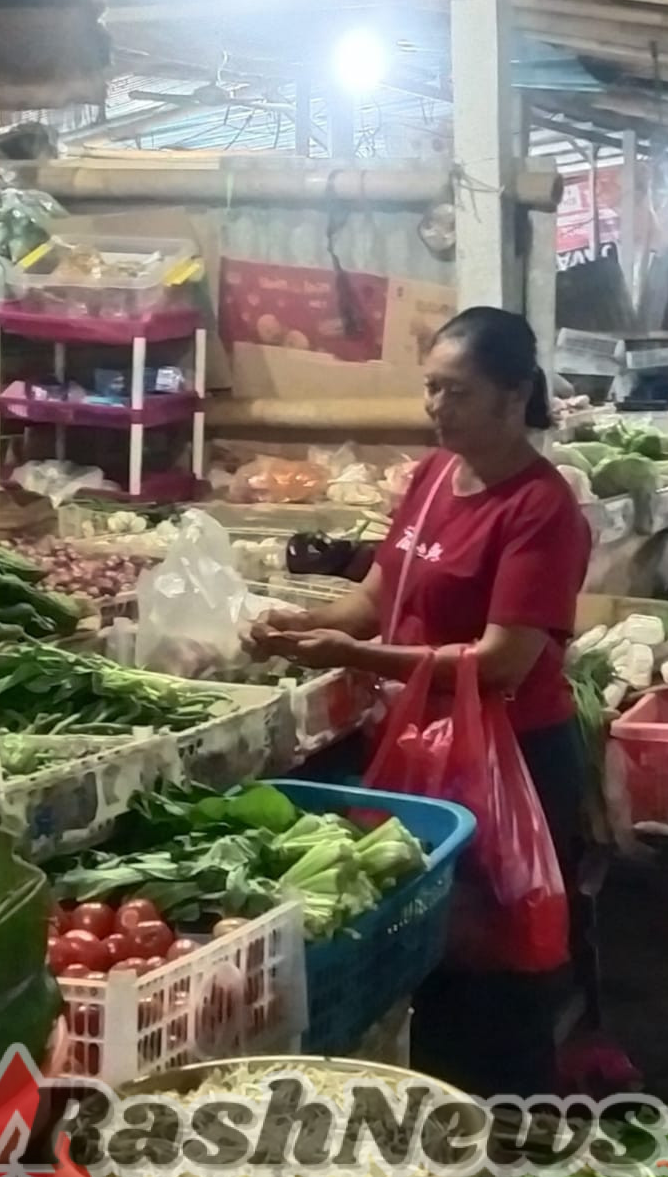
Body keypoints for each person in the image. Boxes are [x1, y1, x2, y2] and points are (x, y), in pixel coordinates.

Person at [248, 306, 592, 1096]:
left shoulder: (541, 509)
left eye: (458, 392)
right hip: (424, 749)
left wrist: (355, 656)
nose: (437, 408)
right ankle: (443, 1134)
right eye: (431, 389)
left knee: (502, 969)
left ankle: (515, 1142)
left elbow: (503, 662)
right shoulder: (433, 477)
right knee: (435, 953)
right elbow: (377, 597)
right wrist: (300, 625)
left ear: (515, 397)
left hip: (512, 761)